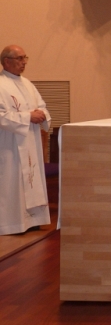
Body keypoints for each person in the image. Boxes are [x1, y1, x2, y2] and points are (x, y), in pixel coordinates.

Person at [0, 45, 51, 235]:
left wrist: (42, 114)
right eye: (20, 59)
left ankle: (33, 220)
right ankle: (12, 223)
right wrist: (26, 117)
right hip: (10, 144)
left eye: (25, 58)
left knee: (31, 179)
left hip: (30, 142)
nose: (24, 63)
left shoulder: (28, 84)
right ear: (6, 61)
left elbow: (41, 106)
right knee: (12, 181)